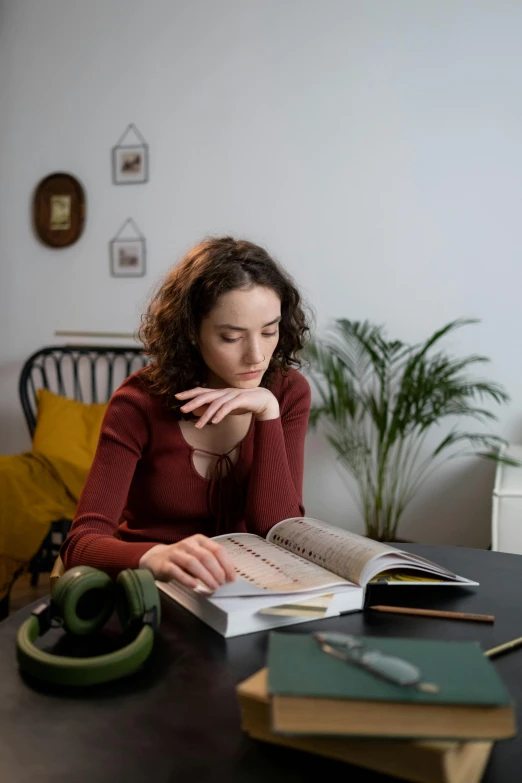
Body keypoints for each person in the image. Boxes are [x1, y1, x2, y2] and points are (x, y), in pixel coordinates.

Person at [61, 236, 312, 592]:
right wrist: (153, 558)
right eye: (231, 337)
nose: (257, 355)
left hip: (244, 593)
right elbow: (80, 545)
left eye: (269, 331)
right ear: (192, 332)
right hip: (151, 590)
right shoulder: (138, 403)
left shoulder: (288, 393)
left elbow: (277, 531)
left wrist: (267, 413)